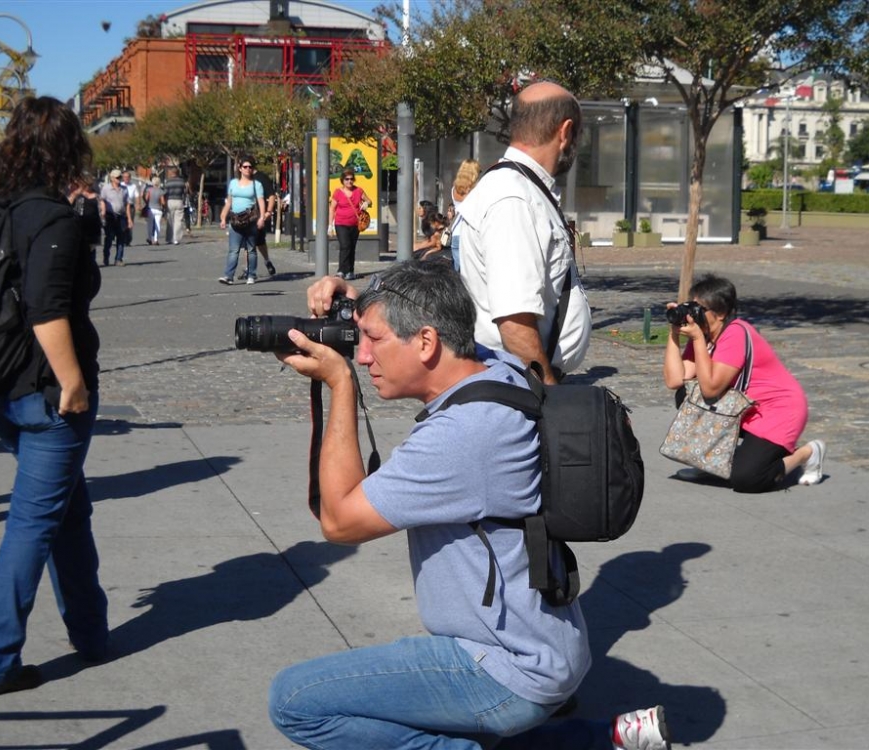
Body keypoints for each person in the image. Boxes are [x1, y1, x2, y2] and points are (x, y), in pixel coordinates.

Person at [271, 261, 671, 750]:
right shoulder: (497, 369)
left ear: (425, 342)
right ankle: (602, 739)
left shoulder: (462, 436)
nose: (363, 355)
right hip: (546, 646)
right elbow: (437, 319)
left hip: (504, 667)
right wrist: (362, 303)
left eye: (373, 339)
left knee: (296, 701)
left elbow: (338, 520)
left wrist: (340, 385)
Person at [0, 96, 108, 696]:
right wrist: (72, 383)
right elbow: (49, 310)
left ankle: (92, 633)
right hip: (47, 395)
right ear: (65, 148)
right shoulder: (50, 218)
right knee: (32, 525)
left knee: (67, 511)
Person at [457, 81, 591, 385]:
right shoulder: (514, 199)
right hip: (520, 385)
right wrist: (549, 397)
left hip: (517, 380)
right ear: (565, 131)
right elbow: (515, 325)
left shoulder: (522, 189)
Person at [663, 273, 827, 492]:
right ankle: (711, 464)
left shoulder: (736, 333)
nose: (694, 314)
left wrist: (697, 340)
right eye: (692, 306)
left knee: (748, 479)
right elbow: (675, 380)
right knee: (685, 394)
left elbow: (711, 389)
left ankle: (807, 453)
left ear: (720, 313)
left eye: (699, 309)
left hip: (778, 411)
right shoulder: (705, 335)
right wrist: (673, 334)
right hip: (743, 408)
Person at [218, 156, 266, 285]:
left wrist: (262, 217)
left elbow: (261, 202)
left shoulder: (257, 185)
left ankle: (251, 274)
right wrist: (223, 217)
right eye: (245, 167)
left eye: (250, 167)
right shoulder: (233, 183)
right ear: (240, 168)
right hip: (235, 221)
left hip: (250, 220)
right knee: (233, 250)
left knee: (251, 249)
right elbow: (229, 202)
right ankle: (228, 276)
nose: (248, 169)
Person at [327, 167, 371, 280]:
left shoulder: (359, 191)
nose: (349, 181)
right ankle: (341, 271)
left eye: (351, 179)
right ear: (343, 180)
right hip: (341, 223)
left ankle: (350, 271)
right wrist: (330, 226)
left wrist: (366, 203)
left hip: (355, 224)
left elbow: (369, 201)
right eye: (347, 179)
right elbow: (332, 208)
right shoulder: (338, 192)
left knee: (352, 247)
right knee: (345, 246)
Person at [449, 159, 481, 271]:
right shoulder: (476, 191)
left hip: (456, 233)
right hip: (470, 234)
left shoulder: (454, 189)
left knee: (458, 274)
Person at [249, 165, 278, 277]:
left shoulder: (261, 178)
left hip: (259, 215)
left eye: (247, 166)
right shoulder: (241, 179)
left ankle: (267, 260)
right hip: (245, 216)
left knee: (259, 242)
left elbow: (271, 195)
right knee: (249, 242)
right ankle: (250, 269)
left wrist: (269, 211)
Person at [68, 172, 103, 263]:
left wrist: (103, 215)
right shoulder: (77, 195)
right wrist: (75, 194)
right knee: (80, 248)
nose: (89, 187)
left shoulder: (96, 196)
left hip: (93, 225)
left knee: (92, 249)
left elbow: (101, 209)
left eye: (90, 185)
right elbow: (68, 205)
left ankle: (91, 266)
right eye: (87, 185)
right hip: (80, 225)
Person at [99, 168, 131, 266]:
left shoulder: (124, 189)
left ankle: (118, 259)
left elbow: (127, 204)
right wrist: (103, 211)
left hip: (121, 216)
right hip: (110, 216)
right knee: (109, 238)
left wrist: (129, 219)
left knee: (121, 238)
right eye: (117, 177)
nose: (119, 179)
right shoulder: (106, 188)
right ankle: (106, 257)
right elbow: (102, 200)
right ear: (112, 178)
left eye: (120, 177)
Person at [163, 166, 188, 244]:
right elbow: (185, 192)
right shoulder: (182, 181)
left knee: (170, 221)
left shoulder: (168, 182)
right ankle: (176, 239)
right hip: (179, 200)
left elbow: (164, 192)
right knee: (178, 221)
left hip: (170, 201)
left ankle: (169, 238)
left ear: (171, 173)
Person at [144, 176, 165, 245]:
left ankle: (149, 238)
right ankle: (156, 239)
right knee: (157, 224)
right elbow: (163, 202)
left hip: (150, 208)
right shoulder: (161, 191)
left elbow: (146, 199)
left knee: (150, 224)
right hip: (158, 209)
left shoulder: (149, 190)